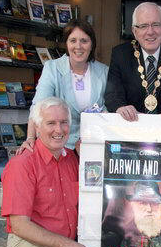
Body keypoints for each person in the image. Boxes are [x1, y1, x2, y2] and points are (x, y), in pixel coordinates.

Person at [1, 97, 94, 247]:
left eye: (64, 122)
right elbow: (20, 226)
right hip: (27, 242)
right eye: (51, 123)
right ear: (36, 127)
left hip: (59, 241)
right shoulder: (22, 164)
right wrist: (68, 246)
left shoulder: (72, 160)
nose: (58, 130)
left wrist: (90, 152)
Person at [19, 19, 108, 152]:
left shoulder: (104, 71)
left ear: (92, 44)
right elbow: (38, 106)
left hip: (94, 147)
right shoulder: (52, 68)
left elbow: (108, 109)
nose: (78, 46)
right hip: (60, 147)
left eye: (84, 41)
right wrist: (30, 138)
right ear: (66, 43)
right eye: (73, 40)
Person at [104, 2, 161, 121]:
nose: (150, 32)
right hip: (130, 127)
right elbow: (112, 94)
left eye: (155, 24)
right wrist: (121, 107)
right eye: (143, 26)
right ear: (134, 31)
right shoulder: (120, 54)